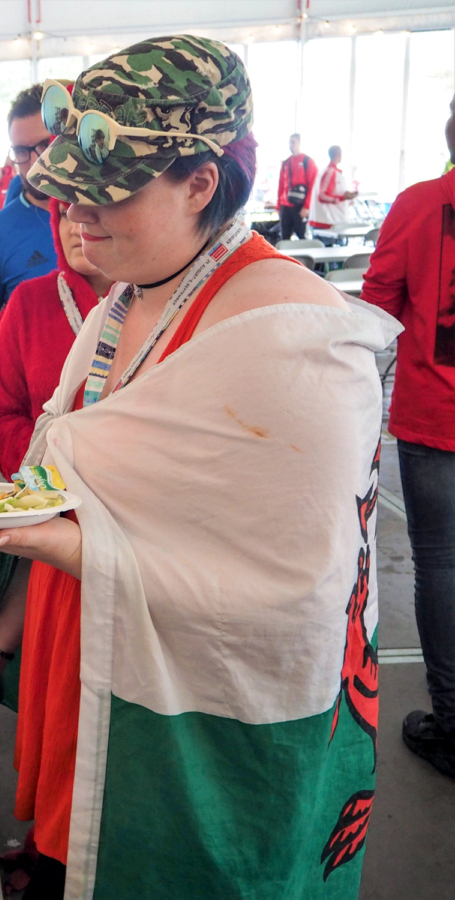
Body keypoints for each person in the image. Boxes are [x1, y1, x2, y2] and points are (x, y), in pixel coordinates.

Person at [0, 37, 397, 900]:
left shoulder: (290, 337)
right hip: (97, 676)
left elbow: (294, 598)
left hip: (200, 731)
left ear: (202, 183)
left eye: (109, 195)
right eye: (68, 194)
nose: (77, 218)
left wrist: (70, 552)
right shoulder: (123, 303)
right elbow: (75, 497)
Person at [361, 94, 455, 780]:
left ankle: (452, 725)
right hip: (432, 420)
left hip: (436, 417)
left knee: (442, 566)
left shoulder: (419, 204)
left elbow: (379, 306)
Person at [0, 201, 112, 477]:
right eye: (64, 214)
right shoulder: (30, 301)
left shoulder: (157, 299)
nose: (76, 228)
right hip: (50, 499)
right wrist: (52, 474)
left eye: (92, 209)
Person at [0, 85, 57, 342]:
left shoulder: (107, 217)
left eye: (45, 145)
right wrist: (0, 378)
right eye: (20, 151)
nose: (34, 162)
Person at [276, 133, 318, 241]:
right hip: (285, 207)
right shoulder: (285, 163)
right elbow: (281, 185)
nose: (291, 145)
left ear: (299, 143)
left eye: (293, 142)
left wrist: (307, 206)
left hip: (300, 206)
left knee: (301, 236)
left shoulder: (307, 161)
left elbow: (312, 186)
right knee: (284, 237)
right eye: (290, 142)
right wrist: (279, 206)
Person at [309, 144, 359, 232]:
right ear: (339, 154)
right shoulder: (330, 172)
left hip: (331, 221)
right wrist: (343, 197)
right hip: (327, 222)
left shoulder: (332, 172)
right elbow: (322, 196)